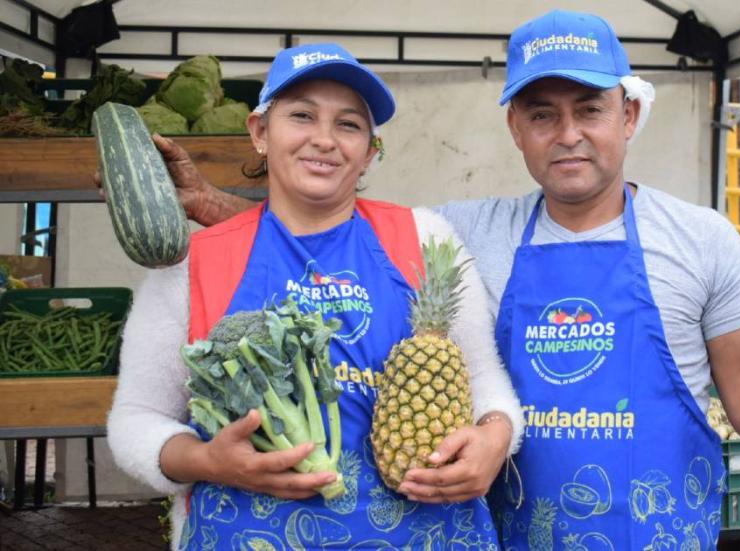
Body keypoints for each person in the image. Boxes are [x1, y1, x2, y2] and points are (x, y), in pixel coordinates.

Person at [144, 11, 740, 549]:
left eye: (589, 109)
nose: (568, 134)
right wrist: (214, 205)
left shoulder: (701, 237)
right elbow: (338, 234)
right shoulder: (466, 232)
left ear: (629, 115)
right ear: (516, 127)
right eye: (542, 113)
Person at [106, 43, 524, 550]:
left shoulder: (425, 239)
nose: (324, 140)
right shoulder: (195, 262)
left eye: (348, 125)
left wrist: (496, 437)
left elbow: (481, 376)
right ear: (260, 132)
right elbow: (136, 418)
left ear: (370, 151)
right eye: (302, 116)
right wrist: (204, 460)